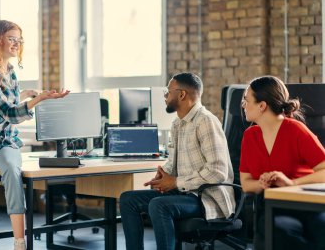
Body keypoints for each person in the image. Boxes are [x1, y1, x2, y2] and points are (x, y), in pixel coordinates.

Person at [0, 20, 69, 250]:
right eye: (12, 38)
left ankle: (19, 242)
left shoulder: (9, 71)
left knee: (12, 169)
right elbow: (7, 111)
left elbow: (7, 101)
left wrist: (25, 94)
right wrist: (38, 99)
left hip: (3, 141)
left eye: (19, 40)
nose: (17, 44)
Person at [119, 72, 235, 250]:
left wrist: (175, 182)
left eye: (168, 91)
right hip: (183, 193)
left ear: (182, 94)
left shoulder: (206, 121)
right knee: (128, 199)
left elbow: (217, 172)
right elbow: (174, 165)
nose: (165, 96)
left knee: (159, 205)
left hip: (206, 198)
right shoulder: (177, 124)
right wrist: (163, 176)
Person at [239, 76, 325, 250]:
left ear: (262, 106)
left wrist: (291, 183)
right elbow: (246, 184)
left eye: (246, 100)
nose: (243, 105)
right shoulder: (250, 136)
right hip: (273, 208)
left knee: (320, 230)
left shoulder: (295, 129)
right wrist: (261, 184)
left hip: (307, 204)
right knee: (280, 232)